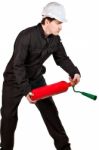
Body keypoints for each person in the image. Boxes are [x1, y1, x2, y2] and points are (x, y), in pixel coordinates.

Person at [0, 2, 81, 150]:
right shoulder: (26, 36)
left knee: (50, 112)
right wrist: (26, 90)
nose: (60, 27)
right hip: (14, 80)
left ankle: (64, 147)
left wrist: (74, 72)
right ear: (47, 21)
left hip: (36, 79)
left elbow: (62, 58)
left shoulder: (55, 39)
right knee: (8, 117)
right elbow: (18, 66)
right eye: (58, 23)